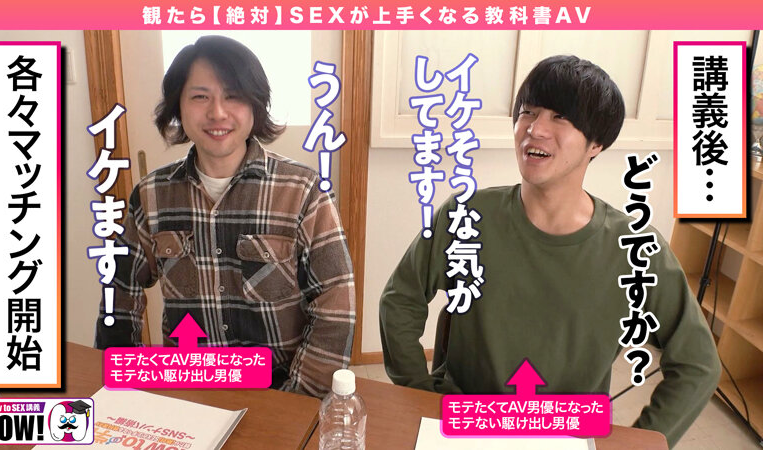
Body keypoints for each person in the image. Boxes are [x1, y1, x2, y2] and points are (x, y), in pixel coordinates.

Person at [379, 55, 720, 446]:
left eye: (560, 117)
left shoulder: (636, 249)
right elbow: (400, 299)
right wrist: (420, 396)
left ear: (596, 143)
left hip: (568, 435)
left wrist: (640, 442)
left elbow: (698, 364)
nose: (535, 129)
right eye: (528, 111)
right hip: (463, 424)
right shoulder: (466, 215)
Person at [95, 35, 355, 397]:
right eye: (200, 97)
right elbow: (120, 289)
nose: (217, 113)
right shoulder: (151, 195)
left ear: (255, 106)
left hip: (280, 386)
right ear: (178, 106)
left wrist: (298, 401)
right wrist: (124, 383)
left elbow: (335, 303)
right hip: (187, 382)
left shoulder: (303, 191)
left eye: (233, 96)